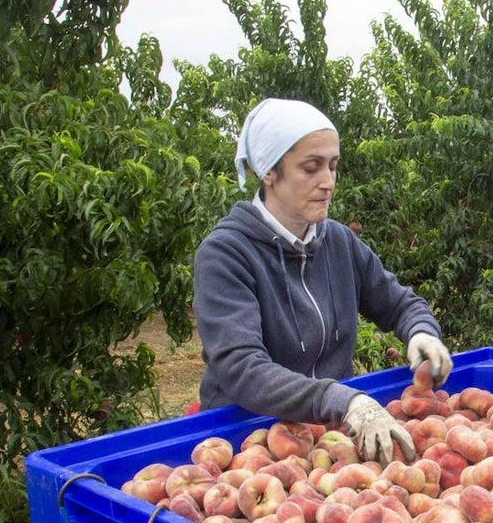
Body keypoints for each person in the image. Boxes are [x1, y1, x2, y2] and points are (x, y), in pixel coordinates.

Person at [193, 98, 452, 466]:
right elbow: (243, 369)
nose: (327, 182)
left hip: (333, 440)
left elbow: (399, 304)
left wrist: (421, 332)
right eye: (311, 168)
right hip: (249, 443)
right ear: (269, 171)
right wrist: (343, 400)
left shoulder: (338, 242)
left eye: (332, 166)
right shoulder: (226, 254)